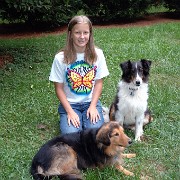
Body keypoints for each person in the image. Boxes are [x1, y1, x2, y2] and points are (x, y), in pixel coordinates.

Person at [49, 15, 109, 135]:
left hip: (90, 103)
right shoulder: (60, 58)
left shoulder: (98, 54)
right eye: (77, 33)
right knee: (71, 136)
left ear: (90, 34)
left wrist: (92, 107)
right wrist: (70, 112)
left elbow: (98, 83)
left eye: (85, 32)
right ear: (70, 34)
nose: (82, 37)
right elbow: (59, 88)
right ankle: (66, 118)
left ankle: (95, 112)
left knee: (96, 134)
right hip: (70, 105)